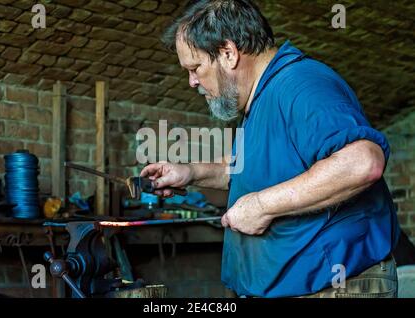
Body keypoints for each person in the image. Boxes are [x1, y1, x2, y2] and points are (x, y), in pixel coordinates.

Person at [140, 0, 400, 298]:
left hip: (337, 287)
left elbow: (362, 162)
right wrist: (189, 172)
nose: (192, 81)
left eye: (195, 67)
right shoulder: (261, 98)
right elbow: (250, 166)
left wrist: (262, 206)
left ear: (228, 53)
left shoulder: (299, 84)